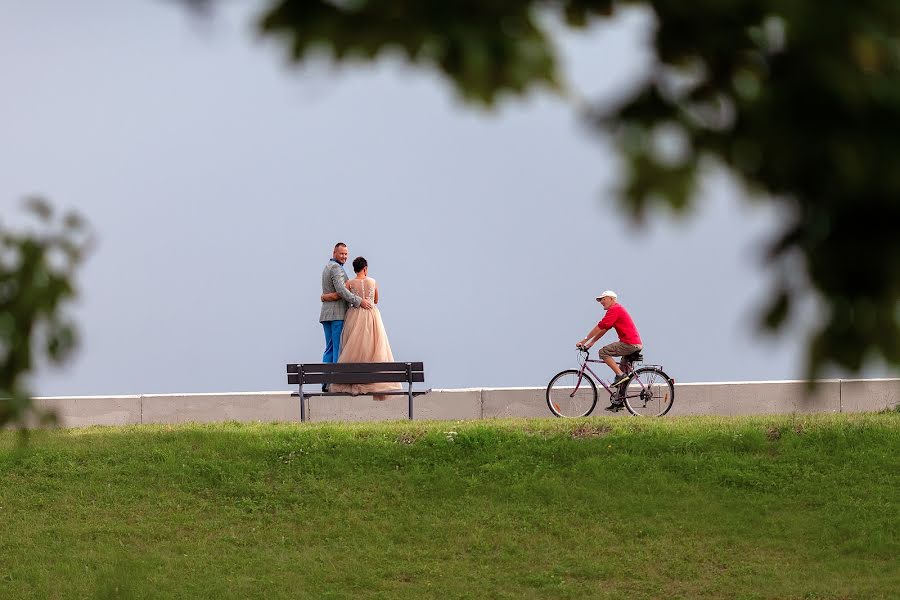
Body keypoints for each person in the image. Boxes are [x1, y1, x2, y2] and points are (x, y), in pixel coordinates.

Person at [325, 256, 402, 399]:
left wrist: (325, 297)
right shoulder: (372, 281)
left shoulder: (350, 283)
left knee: (354, 346)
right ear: (365, 268)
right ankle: (371, 378)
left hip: (354, 315)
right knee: (373, 346)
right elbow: (376, 300)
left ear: (355, 269)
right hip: (372, 315)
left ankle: (354, 378)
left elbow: (342, 295)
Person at [576, 290, 643, 408]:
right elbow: (604, 329)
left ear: (611, 299)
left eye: (603, 299)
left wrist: (584, 340)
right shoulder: (616, 310)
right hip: (632, 344)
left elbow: (600, 326)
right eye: (600, 300)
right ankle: (619, 402)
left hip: (629, 344)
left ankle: (620, 375)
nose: (601, 302)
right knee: (623, 375)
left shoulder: (615, 309)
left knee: (603, 352)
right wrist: (591, 343)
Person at [320, 243, 372, 379]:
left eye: (346, 254)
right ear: (334, 253)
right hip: (337, 315)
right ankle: (335, 381)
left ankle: (325, 381)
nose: (344, 257)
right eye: (342, 253)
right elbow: (342, 290)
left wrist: (325, 297)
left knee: (329, 348)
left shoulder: (327, 267)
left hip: (326, 314)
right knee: (337, 348)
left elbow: (334, 291)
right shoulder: (337, 268)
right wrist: (359, 301)